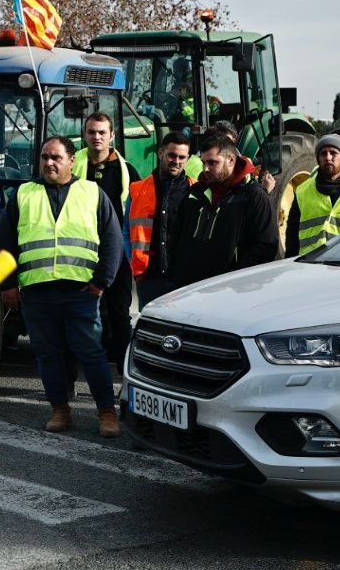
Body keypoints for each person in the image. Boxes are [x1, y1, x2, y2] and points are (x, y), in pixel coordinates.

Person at [0, 136, 123, 436]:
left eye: (56, 158)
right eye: (44, 157)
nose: (49, 163)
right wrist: (8, 285)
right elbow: (4, 243)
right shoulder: (24, 193)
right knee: (48, 355)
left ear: (71, 161)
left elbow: (113, 240)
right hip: (38, 293)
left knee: (91, 353)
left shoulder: (92, 192)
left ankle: (106, 413)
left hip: (81, 292)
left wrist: (102, 281)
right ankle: (60, 411)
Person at [70, 112, 141, 375]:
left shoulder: (127, 172)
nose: (96, 137)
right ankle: (88, 364)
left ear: (112, 136)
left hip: (117, 252)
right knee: (86, 311)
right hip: (81, 250)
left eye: (102, 132)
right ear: (85, 135)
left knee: (119, 311)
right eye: (91, 132)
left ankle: (123, 366)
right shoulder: (74, 167)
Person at [172, 130, 278, 285]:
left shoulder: (254, 197)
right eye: (204, 163)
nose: (205, 169)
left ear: (231, 160)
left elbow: (265, 247)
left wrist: (234, 282)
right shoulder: (196, 192)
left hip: (229, 291)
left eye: (212, 162)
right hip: (189, 289)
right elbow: (177, 237)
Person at [129, 131, 194, 306]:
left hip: (184, 278)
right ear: (160, 153)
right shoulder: (137, 190)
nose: (177, 161)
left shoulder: (195, 190)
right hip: (149, 278)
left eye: (182, 157)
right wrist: (137, 272)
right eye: (172, 155)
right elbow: (124, 231)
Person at [283, 133, 340, 257]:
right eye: (323, 153)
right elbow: (292, 234)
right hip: (310, 264)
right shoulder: (303, 190)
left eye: (333, 153)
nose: (328, 158)